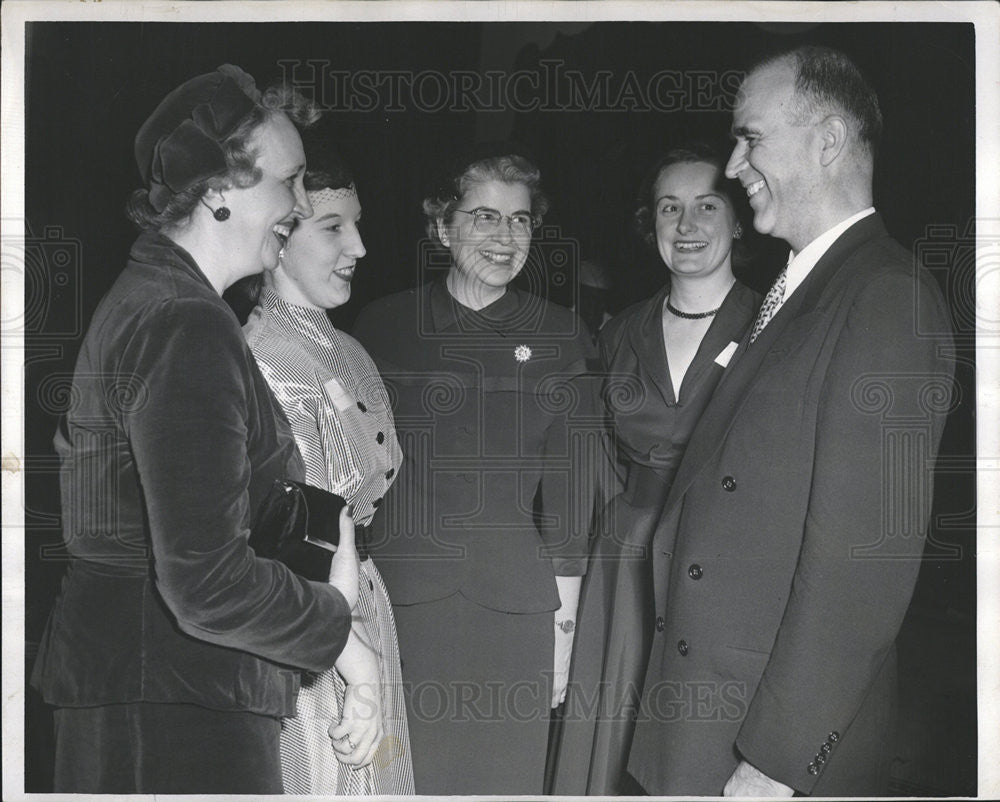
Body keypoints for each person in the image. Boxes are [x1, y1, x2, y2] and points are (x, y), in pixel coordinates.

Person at [627, 45, 955, 797]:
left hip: (763, 744)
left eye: (752, 138)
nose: (734, 164)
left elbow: (863, 567)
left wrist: (777, 757)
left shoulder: (887, 298)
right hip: (702, 717)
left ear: (828, 140)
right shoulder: (799, 288)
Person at [30, 65, 363, 794]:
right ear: (217, 189)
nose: (301, 206)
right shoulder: (186, 323)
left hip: (147, 689)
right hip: (176, 707)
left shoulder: (158, 301)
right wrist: (333, 620)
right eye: (291, 181)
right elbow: (208, 584)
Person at [352, 144, 600, 795]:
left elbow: (571, 505)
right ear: (441, 227)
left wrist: (563, 635)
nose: (505, 236)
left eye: (519, 220)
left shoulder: (562, 335)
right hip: (400, 606)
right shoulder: (381, 328)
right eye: (484, 217)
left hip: (514, 616)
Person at [548, 144, 762, 796]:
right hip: (623, 574)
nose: (688, 224)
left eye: (706, 206)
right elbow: (589, 465)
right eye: (671, 208)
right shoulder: (617, 334)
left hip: (721, 572)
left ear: (738, 222)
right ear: (652, 224)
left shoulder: (772, 327)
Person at [241, 140, 414, 795]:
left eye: (359, 223)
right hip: (311, 629)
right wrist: (352, 657)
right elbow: (286, 547)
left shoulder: (348, 350)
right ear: (278, 234)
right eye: (333, 227)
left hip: (363, 605)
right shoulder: (263, 357)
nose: (360, 247)